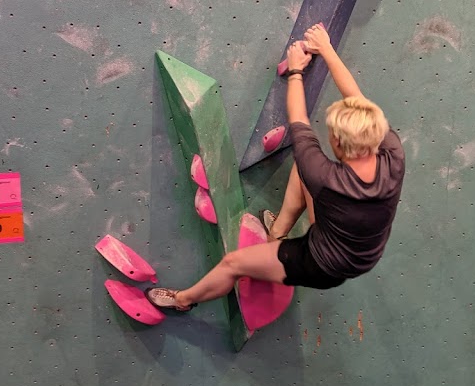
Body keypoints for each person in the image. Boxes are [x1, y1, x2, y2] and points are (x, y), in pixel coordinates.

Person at [146, 22, 405, 312]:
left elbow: (299, 119)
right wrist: (326, 49)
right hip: (365, 249)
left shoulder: (324, 176)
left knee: (233, 264)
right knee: (302, 173)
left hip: (323, 264)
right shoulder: (392, 152)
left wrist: (295, 71)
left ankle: (183, 301)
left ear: (339, 144)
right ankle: (277, 232)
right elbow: (357, 100)